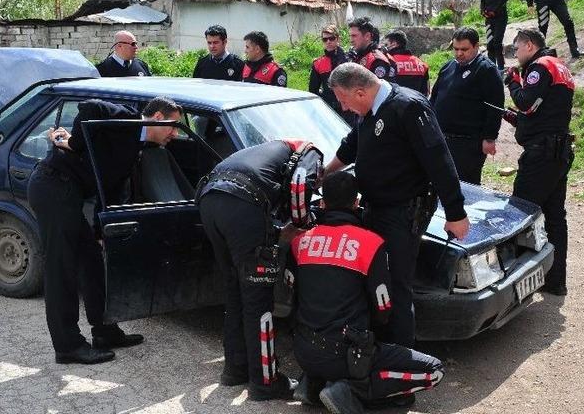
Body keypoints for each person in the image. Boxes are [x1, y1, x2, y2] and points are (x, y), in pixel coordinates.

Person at [324, 63, 470, 349]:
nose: (343, 107)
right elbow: (352, 144)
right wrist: (326, 173)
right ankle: (378, 347)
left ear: (360, 92)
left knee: (397, 286)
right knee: (376, 280)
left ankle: (402, 359)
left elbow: (439, 161)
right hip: (377, 209)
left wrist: (456, 213)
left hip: (402, 213)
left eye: (343, 100)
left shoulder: (408, 107)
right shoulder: (369, 111)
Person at [28, 97, 182, 364]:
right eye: (174, 126)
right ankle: (67, 346)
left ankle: (105, 331)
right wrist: (75, 143)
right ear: (158, 117)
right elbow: (90, 106)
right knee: (61, 269)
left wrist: (101, 231)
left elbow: (107, 188)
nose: (175, 134)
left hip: (69, 193)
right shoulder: (127, 120)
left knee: (92, 262)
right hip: (53, 187)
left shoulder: (137, 145)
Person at [287, 171, 445, 413]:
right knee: (434, 370)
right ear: (357, 203)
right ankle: (350, 389)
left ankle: (313, 382)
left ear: (323, 204)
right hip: (348, 355)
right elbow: (384, 308)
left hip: (303, 351)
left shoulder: (300, 242)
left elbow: (292, 297)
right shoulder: (370, 243)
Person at [196, 139, 323, 400]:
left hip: (209, 201)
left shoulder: (266, 151)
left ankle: (235, 369)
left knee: (235, 291)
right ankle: (265, 382)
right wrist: (302, 223)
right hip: (242, 204)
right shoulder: (311, 151)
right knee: (258, 301)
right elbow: (300, 184)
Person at [504, 27, 575, 296]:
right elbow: (543, 112)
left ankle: (514, 285)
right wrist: (519, 120)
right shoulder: (560, 66)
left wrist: (513, 81)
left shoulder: (540, 66)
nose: (516, 54)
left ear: (530, 46)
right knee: (555, 217)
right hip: (558, 151)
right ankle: (556, 280)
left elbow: (526, 102)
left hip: (542, 154)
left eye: (517, 48)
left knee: (518, 213)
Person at [430, 27, 504, 185]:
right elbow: (435, 98)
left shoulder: (486, 70)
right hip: (442, 138)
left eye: (464, 49)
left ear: (476, 46)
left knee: (465, 186)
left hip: (468, 144)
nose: (459, 53)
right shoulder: (448, 67)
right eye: (456, 49)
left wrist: (489, 138)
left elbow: (495, 107)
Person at [309, 25, 352, 122]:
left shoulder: (349, 59)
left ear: (338, 39)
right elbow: (313, 91)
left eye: (331, 38)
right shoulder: (318, 63)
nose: (328, 42)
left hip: (350, 108)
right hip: (329, 110)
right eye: (325, 39)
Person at [480, 0, 511, 70]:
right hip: (489, 19)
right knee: (490, 44)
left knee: (497, 43)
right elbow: (483, 0)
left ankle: (501, 68)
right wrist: (482, 11)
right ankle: (492, 69)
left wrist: (494, 11)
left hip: (500, 18)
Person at [347, 17, 396, 82]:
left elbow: (377, 87)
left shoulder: (377, 60)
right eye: (350, 36)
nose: (351, 40)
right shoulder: (360, 54)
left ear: (367, 36)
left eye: (354, 36)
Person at [382, 30, 429, 95]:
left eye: (386, 44)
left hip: (394, 100)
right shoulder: (421, 64)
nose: (385, 47)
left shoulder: (387, 61)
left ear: (394, 44)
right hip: (417, 100)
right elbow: (426, 92)